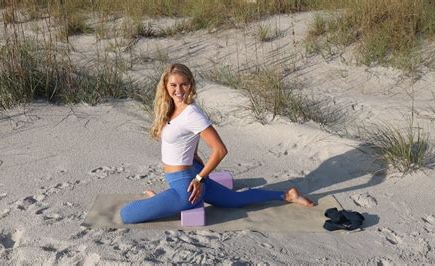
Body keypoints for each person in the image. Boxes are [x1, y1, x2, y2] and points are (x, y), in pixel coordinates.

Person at [120, 63, 315, 224]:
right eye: (173, 85)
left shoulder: (191, 113)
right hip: (186, 174)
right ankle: (287, 195)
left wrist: (199, 179)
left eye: (183, 84)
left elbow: (220, 150)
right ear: (165, 86)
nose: (178, 90)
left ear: (191, 85)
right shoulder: (171, 108)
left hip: (185, 186)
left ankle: (286, 196)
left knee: (127, 215)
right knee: (234, 200)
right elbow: (188, 136)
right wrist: (193, 153)